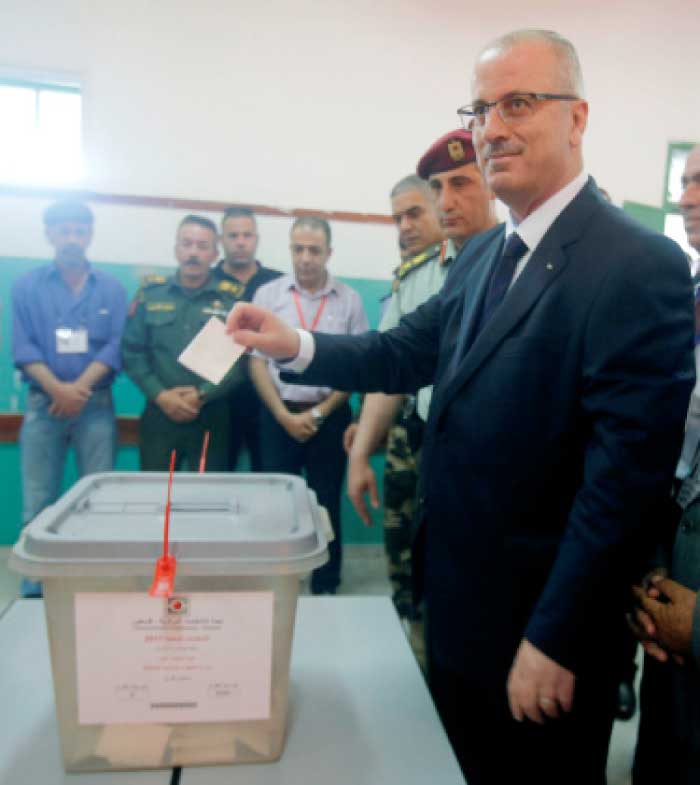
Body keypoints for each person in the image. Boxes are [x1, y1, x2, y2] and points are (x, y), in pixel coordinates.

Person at [226, 30, 694, 785]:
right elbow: (404, 351)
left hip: (543, 636)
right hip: (460, 607)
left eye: (518, 103)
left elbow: (622, 487)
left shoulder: (637, 265)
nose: (492, 129)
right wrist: (294, 343)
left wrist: (557, 637)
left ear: (576, 119)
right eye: (480, 109)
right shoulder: (484, 253)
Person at [346, 135, 497, 636]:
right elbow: (389, 371)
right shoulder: (416, 279)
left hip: (486, 453)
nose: (407, 227)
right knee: (408, 564)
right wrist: (360, 451)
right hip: (419, 438)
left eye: (458, 185)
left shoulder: (514, 267)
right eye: (399, 218)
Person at [12, 200, 127, 597]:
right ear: (49, 234)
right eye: (64, 230)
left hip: (96, 408)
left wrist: (78, 390)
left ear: (90, 234)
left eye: (80, 230)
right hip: (44, 407)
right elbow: (23, 347)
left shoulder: (110, 287)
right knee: (38, 500)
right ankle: (34, 588)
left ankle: (92, 583)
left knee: (100, 500)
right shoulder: (26, 286)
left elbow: (115, 346)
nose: (72, 238)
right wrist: (59, 390)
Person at [249, 217, 368, 595]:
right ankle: (276, 579)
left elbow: (356, 370)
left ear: (328, 253)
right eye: (298, 249)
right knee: (275, 503)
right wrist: (283, 415)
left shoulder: (349, 300)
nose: (305, 258)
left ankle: (326, 582)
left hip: (328, 418)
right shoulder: (268, 295)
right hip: (277, 414)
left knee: (326, 500)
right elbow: (255, 361)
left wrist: (317, 414)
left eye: (314, 250)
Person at [630, 145, 700, 785]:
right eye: (684, 181)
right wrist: (648, 564)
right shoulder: (688, 296)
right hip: (669, 574)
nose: (686, 196)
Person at [122, 215, 245, 472]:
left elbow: (242, 361)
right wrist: (161, 395)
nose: (193, 253)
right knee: (157, 497)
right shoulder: (150, 294)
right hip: (160, 413)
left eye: (202, 246)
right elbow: (132, 353)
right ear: (176, 249)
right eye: (186, 244)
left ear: (214, 253)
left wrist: (202, 394)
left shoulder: (233, 299)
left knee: (207, 501)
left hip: (211, 413)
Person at [214, 207, 282, 470]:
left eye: (247, 235)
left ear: (256, 239)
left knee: (266, 476)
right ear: (221, 241)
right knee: (216, 478)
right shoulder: (207, 281)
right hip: (216, 400)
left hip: (265, 399)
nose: (240, 242)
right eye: (233, 236)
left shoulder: (277, 284)